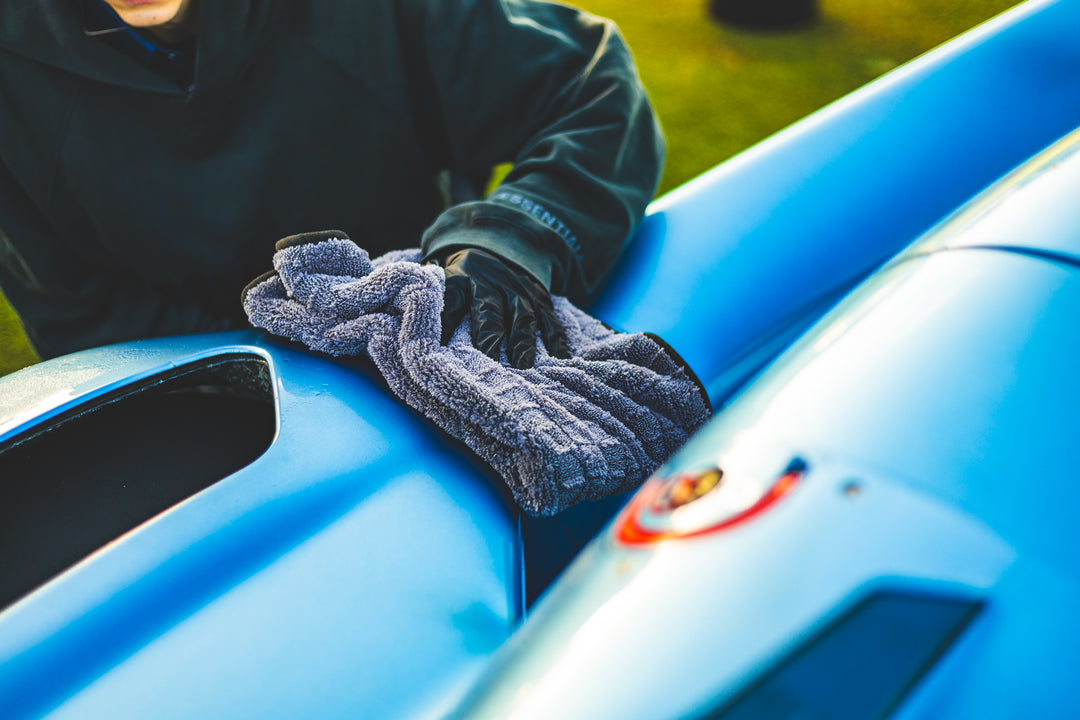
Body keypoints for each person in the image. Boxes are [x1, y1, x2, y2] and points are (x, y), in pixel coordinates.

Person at [0, 0, 663, 368]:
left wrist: (509, 240)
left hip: (449, 349)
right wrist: (296, 359)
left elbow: (591, 90)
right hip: (220, 422)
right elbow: (81, 315)